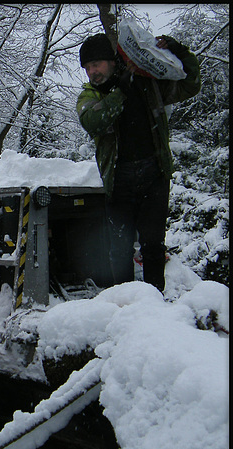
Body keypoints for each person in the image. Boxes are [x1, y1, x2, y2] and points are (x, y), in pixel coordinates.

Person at [76, 32, 201, 292]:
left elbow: (190, 85)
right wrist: (120, 91)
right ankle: (125, 308)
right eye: (87, 68)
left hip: (154, 174)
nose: (92, 72)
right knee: (119, 249)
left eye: (96, 64)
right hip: (119, 181)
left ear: (111, 61)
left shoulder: (147, 83)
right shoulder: (91, 95)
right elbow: (93, 122)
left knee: (153, 245)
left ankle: (155, 304)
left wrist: (180, 51)